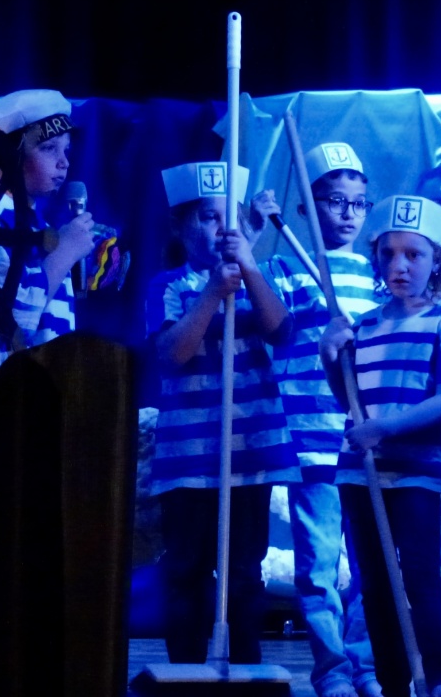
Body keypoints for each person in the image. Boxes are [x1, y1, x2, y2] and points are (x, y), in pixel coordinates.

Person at [321, 194, 441, 697]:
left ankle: (439, 678)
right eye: (389, 254)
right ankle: (393, 682)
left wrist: (384, 429)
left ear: (436, 261)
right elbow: (349, 400)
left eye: (414, 254)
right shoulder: (363, 326)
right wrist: (329, 356)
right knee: (375, 582)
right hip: (360, 472)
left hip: (415, 472)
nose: (400, 265)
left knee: (419, 575)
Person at [146, 161, 299, 664]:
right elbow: (173, 354)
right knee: (186, 569)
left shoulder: (262, 276)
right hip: (190, 456)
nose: (220, 229)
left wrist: (249, 268)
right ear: (180, 225)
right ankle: (186, 672)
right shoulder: (170, 286)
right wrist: (213, 291)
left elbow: (282, 332)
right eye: (208, 218)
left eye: (228, 218)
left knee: (244, 572)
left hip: (250, 453)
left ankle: (248, 669)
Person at [251, 143, 381, 697]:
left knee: (372, 563)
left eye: (358, 202)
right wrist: (254, 229)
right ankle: (332, 670)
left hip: (365, 438)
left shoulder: (378, 274)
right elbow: (270, 326)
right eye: (334, 201)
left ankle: (368, 666)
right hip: (310, 438)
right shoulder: (285, 269)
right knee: (318, 566)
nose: (348, 213)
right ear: (306, 208)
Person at [0, 88, 94, 379]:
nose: (64, 162)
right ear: (10, 156)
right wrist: (65, 252)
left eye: (66, 150)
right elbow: (17, 320)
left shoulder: (39, 226)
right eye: (49, 148)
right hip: (3, 391)